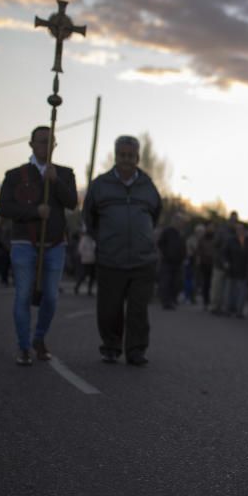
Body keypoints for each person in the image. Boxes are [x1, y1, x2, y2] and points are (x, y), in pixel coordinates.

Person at [0, 125, 78, 365]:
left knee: (51, 297)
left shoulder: (64, 173)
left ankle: (39, 338)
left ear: (55, 145)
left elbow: (72, 202)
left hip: (54, 243)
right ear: (31, 144)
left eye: (50, 141)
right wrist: (34, 211)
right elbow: (4, 208)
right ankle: (23, 347)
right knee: (23, 295)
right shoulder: (15, 175)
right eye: (41, 141)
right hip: (24, 242)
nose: (45, 145)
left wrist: (55, 182)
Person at [83, 134, 162, 366]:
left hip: (142, 260)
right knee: (110, 308)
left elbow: (156, 214)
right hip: (111, 259)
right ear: (116, 157)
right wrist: (105, 240)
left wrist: (143, 237)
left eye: (131, 155)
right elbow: (90, 217)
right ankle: (111, 346)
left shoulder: (148, 185)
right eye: (122, 155)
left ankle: (136, 350)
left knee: (138, 310)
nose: (126, 160)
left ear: (137, 157)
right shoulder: (100, 185)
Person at [157, 214, 186, 310]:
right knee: (166, 282)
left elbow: (183, 246)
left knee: (176, 282)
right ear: (174, 221)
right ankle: (166, 302)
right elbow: (160, 243)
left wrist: (183, 256)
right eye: (179, 221)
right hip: (167, 261)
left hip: (178, 262)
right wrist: (165, 254)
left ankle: (172, 299)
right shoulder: (167, 231)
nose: (181, 224)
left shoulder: (180, 233)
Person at [75, 229, 97, 295]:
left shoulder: (93, 239)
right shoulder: (84, 239)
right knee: (84, 275)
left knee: (92, 276)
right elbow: (80, 249)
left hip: (93, 259)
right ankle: (77, 287)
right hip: (86, 260)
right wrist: (85, 255)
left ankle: (89, 290)